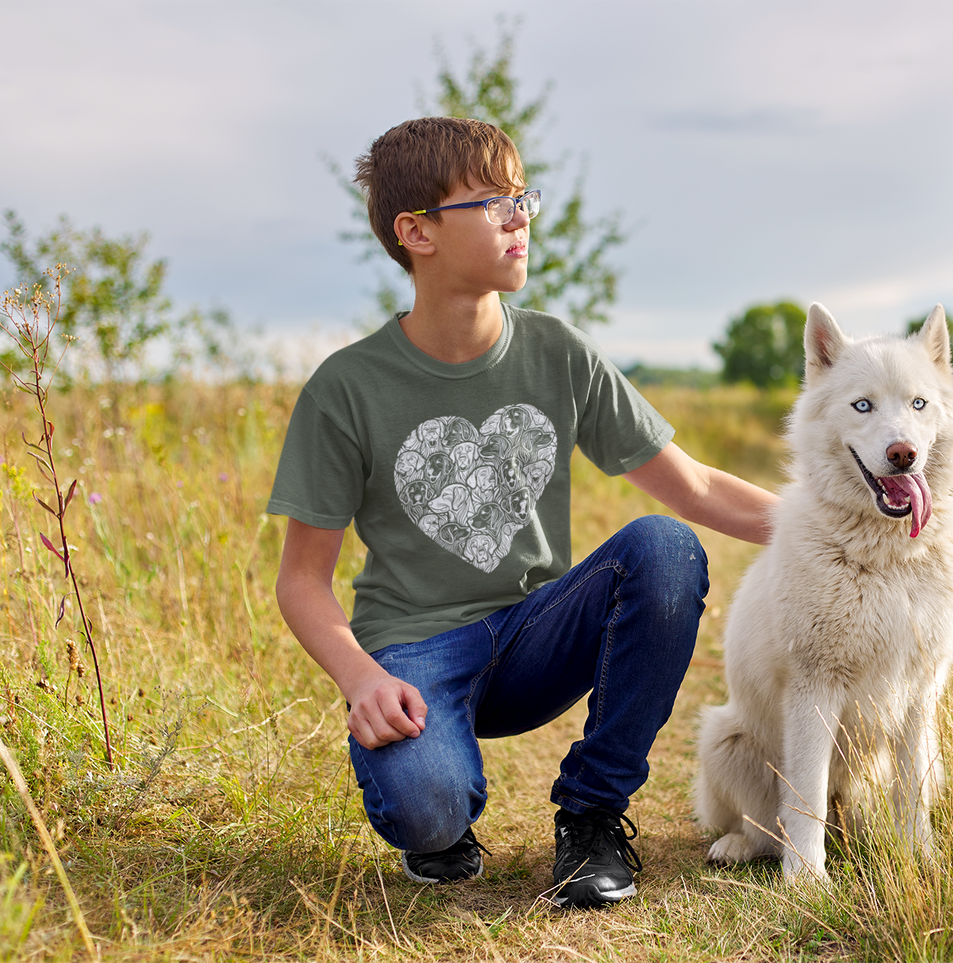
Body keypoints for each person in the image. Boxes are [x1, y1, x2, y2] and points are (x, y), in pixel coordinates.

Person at [268, 116, 777, 910]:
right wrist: (361, 678)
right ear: (417, 232)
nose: (520, 217)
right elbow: (302, 582)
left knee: (663, 547)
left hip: (536, 636)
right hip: (414, 655)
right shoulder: (346, 387)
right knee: (427, 811)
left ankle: (592, 815)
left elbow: (701, 490)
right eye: (492, 201)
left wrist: (868, 534)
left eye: (523, 196)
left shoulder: (557, 352)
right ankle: (440, 815)